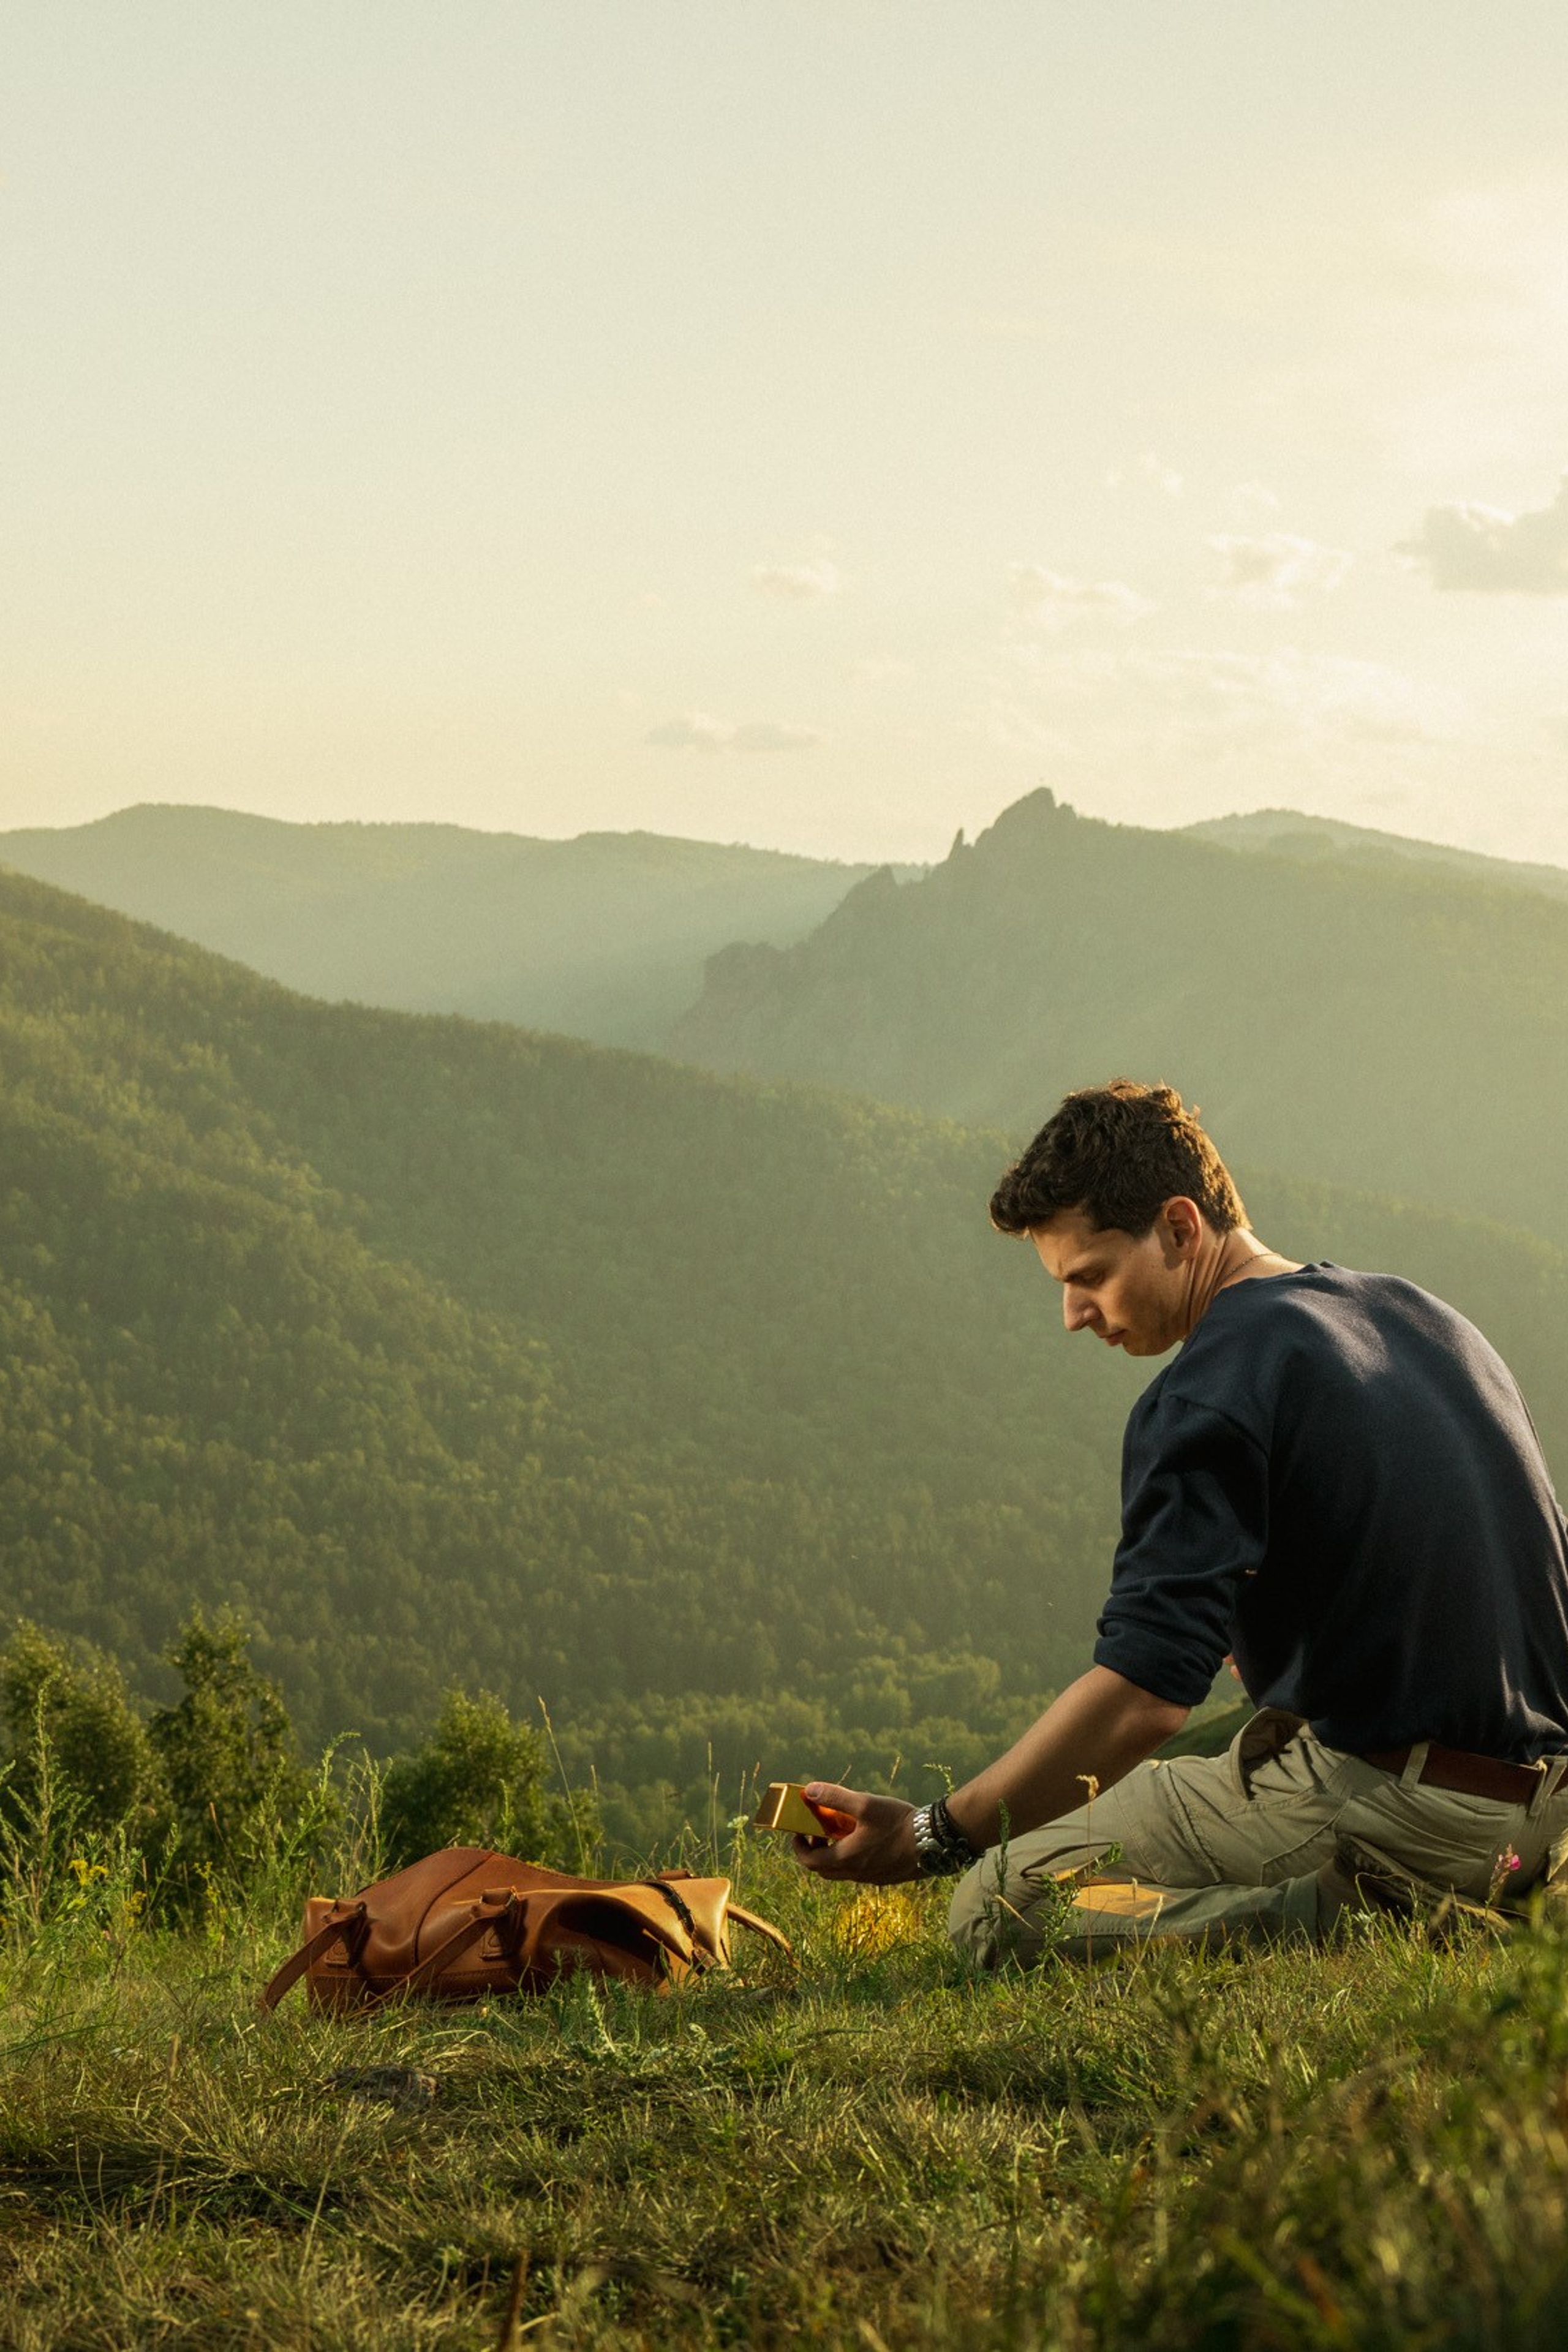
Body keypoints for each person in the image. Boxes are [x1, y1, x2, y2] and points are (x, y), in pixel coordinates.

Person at [793, 1080, 1568, 1961]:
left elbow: (1143, 1701)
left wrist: (932, 1834)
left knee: (1001, 1902)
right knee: (1163, 1793)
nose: (1074, 1315)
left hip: (1411, 1815)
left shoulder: (1213, 1389)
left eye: (1090, 1277)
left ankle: (1358, 1915)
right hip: (1548, 1809)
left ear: (1179, 1227)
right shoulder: (1423, 1317)